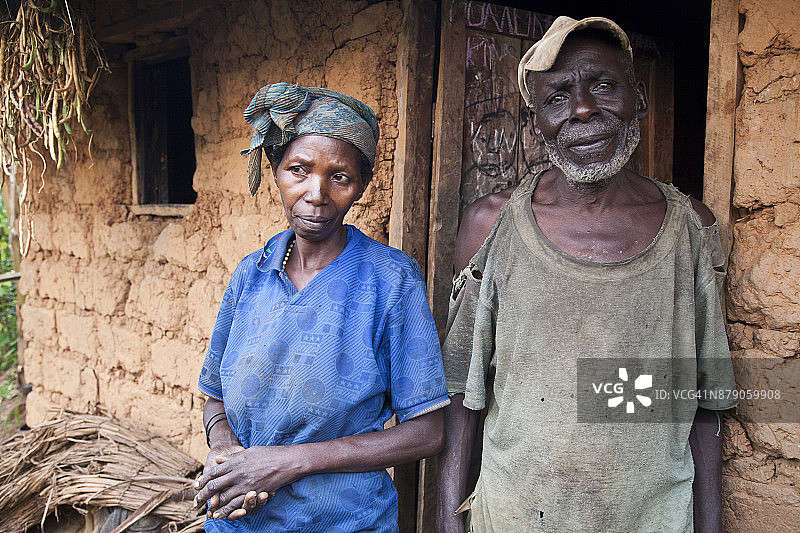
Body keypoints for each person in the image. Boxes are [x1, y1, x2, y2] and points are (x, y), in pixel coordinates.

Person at [436, 16, 737, 533]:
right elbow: (462, 388)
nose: (582, 109)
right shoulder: (493, 224)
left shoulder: (689, 229)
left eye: (603, 85)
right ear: (537, 125)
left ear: (638, 98)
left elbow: (705, 402)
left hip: (652, 521)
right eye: (557, 97)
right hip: (514, 518)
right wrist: (446, 516)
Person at [193, 82, 450, 532]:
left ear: (362, 185)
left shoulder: (390, 282)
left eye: (340, 177)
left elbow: (428, 431)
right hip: (237, 522)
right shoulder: (250, 275)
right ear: (274, 169)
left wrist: (287, 463)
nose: (316, 193)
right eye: (299, 169)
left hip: (343, 521)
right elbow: (214, 395)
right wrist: (226, 450)